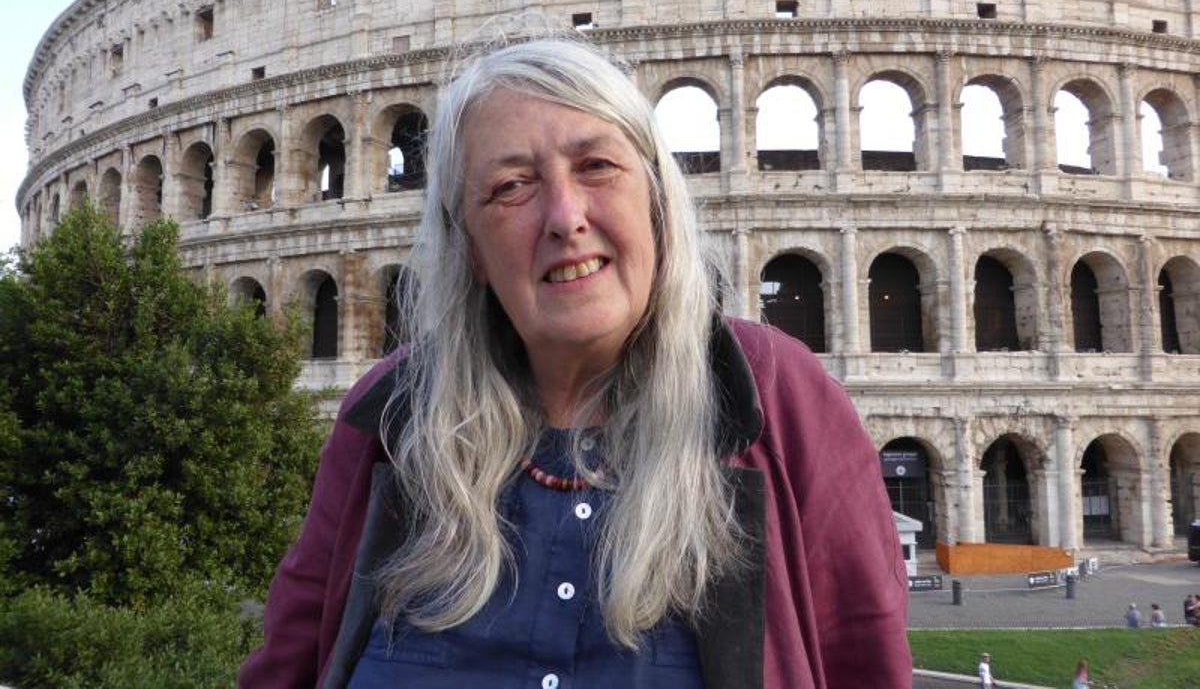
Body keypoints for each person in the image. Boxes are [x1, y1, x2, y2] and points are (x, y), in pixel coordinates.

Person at [237, 36, 911, 688]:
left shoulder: (777, 397)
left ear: (656, 199)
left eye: (596, 166)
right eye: (510, 187)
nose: (565, 216)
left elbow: (864, 657)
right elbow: (287, 665)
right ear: (469, 247)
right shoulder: (388, 415)